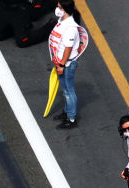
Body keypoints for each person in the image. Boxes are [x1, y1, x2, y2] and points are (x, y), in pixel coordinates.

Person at [48, 0, 87, 129]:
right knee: (65, 91)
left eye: (59, 7)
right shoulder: (62, 21)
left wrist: (62, 65)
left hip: (67, 65)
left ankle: (71, 119)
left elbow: (68, 49)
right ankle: (66, 113)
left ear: (65, 9)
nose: (57, 9)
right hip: (62, 63)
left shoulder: (70, 28)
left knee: (68, 91)